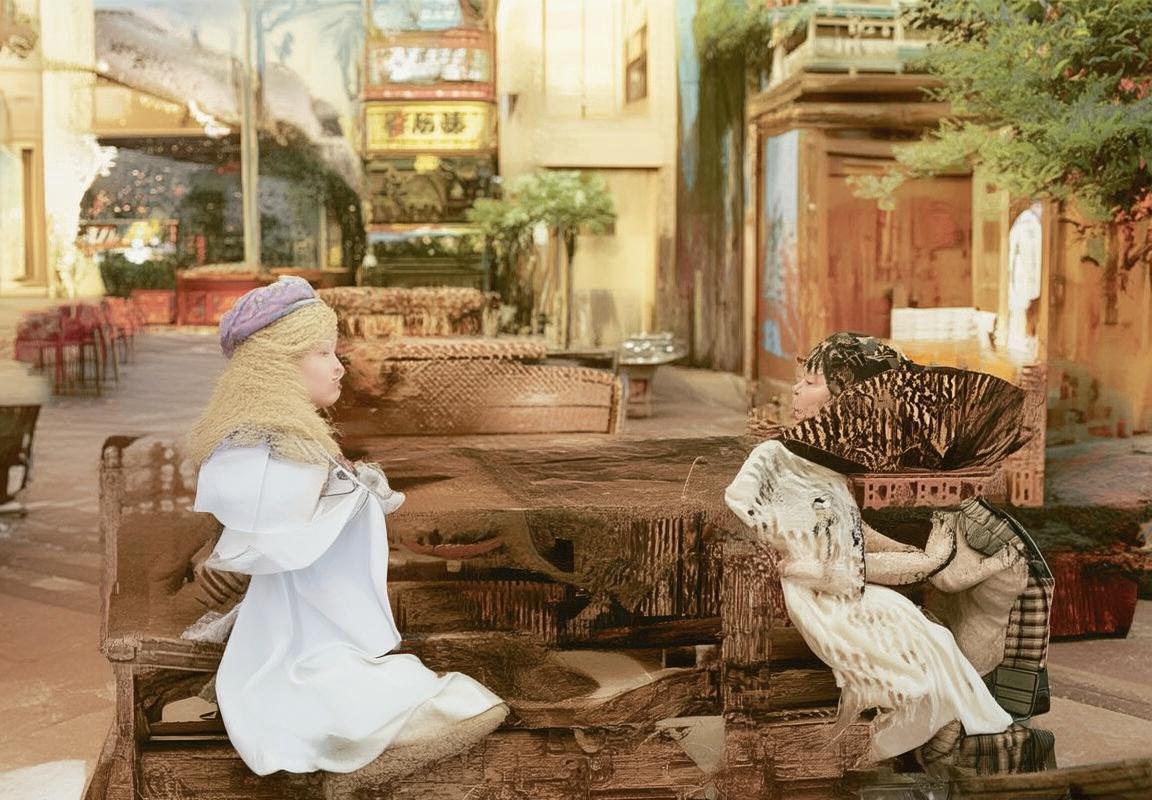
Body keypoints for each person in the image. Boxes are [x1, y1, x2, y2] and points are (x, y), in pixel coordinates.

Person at [182, 276, 508, 781]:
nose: (339, 366)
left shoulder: (300, 441)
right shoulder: (260, 446)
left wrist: (354, 491)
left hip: (317, 606)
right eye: (322, 353)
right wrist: (346, 493)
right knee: (334, 681)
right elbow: (275, 531)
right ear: (277, 365)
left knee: (388, 680)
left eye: (335, 352)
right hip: (298, 615)